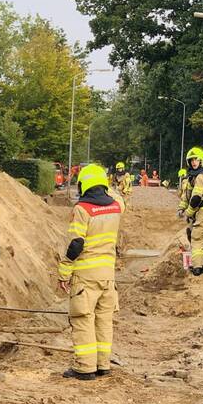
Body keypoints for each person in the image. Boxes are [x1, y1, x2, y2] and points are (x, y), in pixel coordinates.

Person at [57, 163, 122, 381]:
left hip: (86, 276)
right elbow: (117, 196)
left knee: (83, 319)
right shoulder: (115, 207)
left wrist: (64, 272)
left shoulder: (82, 209)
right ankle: (103, 365)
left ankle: (85, 367)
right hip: (108, 276)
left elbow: (76, 244)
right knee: (104, 320)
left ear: (84, 185)